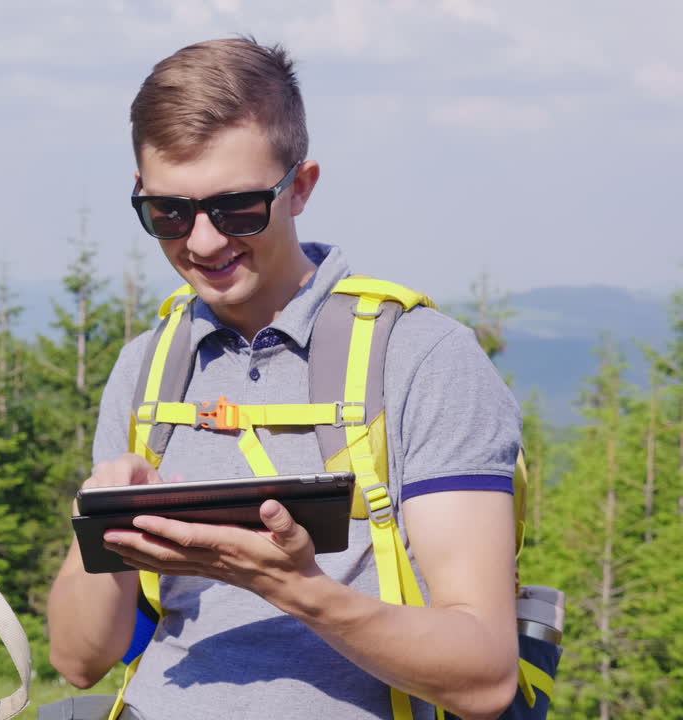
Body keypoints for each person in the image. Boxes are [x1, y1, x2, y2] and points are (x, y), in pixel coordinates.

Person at [46, 37, 522, 720]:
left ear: (300, 187)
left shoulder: (422, 358)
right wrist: (104, 524)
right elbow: (78, 660)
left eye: (238, 208)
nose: (203, 242)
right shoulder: (147, 368)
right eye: (169, 213)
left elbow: (484, 677)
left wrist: (295, 588)